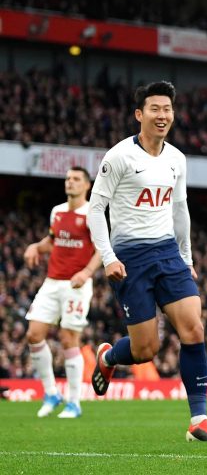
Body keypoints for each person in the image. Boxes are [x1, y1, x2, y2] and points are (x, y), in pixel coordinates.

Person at [87, 81, 207, 442]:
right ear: (139, 114)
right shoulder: (118, 156)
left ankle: (199, 421)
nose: (162, 115)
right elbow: (95, 209)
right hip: (130, 258)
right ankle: (109, 357)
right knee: (146, 349)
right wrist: (108, 258)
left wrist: (187, 257)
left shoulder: (177, 158)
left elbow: (180, 209)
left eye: (167, 109)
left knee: (193, 328)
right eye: (155, 109)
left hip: (167, 252)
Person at [24, 166, 101, 419]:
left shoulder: (92, 212)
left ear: (87, 185)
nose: (70, 182)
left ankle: (74, 402)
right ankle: (51, 393)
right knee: (34, 334)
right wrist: (36, 247)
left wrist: (86, 272)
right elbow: (53, 240)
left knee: (69, 340)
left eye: (76, 179)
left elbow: (102, 249)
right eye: (68, 178)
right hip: (52, 281)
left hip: (76, 285)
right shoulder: (57, 211)